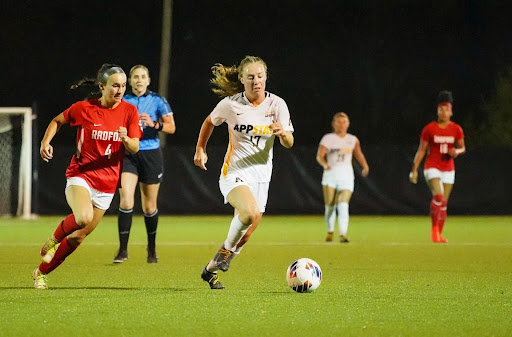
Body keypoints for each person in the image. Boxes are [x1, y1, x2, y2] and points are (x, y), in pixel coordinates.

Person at [32, 64, 142, 289]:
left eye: (122, 86)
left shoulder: (129, 112)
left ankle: (41, 273)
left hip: (108, 184)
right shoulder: (84, 108)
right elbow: (57, 121)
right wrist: (45, 141)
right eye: (115, 86)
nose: (119, 90)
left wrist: (125, 139)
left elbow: (135, 147)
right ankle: (52, 241)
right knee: (82, 217)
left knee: (77, 237)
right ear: (102, 86)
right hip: (81, 175)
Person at [193, 56, 294, 289]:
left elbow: (289, 142)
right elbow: (210, 122)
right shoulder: (230, 104)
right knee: (248, 213)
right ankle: (227, 252)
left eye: (260, 76)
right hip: (234, 173)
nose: (256, 81)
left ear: (266, 77)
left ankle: (209, 271)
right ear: (242, 78)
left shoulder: (277, 105)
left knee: (246, 235)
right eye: (250, 77)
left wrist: (283, 133)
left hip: (262, 177)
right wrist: (200, 148)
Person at [113, 65, 176, 264]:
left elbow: (172, 128)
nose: (139, 80)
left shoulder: (157, 100)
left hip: (150, 154)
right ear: (129, 81)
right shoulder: (122, 101)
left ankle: (151, 248)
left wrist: (154, 124)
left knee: (149, 206)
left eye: (142, 77)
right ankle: (123, 250)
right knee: (126, 201)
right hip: (128, 154)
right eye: (135, 77)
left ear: (148, 80)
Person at [409, 90, 465, 243]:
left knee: (444, 203)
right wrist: (414, 169)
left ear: (451, 112)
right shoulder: (429, 129)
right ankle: (434, 231)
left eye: (447, 109)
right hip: (432, 166)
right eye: (441, 109)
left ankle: (439, 234)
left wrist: (456, 151)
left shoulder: (456, 129)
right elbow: (421, 150)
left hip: (448, 167)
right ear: (437, 111)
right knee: (438, 195)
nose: (444, 112)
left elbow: (462, 147)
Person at [316, 112, 369, 243]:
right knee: (330, 205)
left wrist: (365, 166)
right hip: (330, 175)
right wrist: (325, 164)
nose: (341, 125)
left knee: (343, 203)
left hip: (346, 175)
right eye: (338, 122)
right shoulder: (328, 138)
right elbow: (320, 156)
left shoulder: (352, 139)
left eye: (344, 122)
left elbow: (358, 154)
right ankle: (330, 231)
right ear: (333, 124)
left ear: (348, 124)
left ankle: (343, 234)